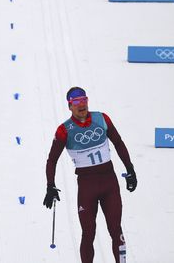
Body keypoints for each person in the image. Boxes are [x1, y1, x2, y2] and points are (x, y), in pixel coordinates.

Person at [44, 87, 138, 263]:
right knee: (88, 234)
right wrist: (50, 185)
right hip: (87, 187)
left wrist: (130, 169)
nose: (82, 105)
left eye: (84, 100)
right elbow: (51, 160)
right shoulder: (64, 130)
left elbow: (118, 142)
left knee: (116, 230)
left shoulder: (102, 118)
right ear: (70, 105)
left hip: (109, 182)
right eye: (77, 101)